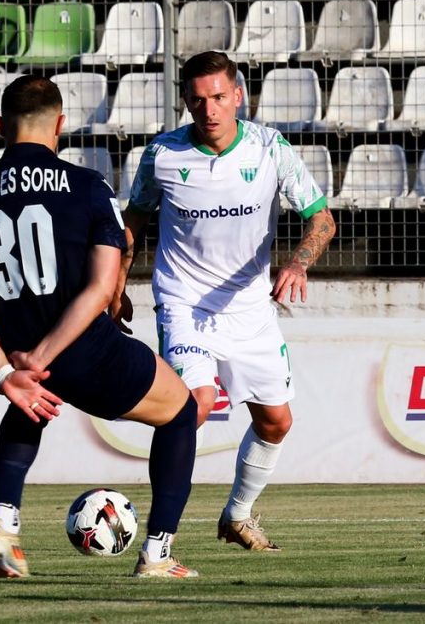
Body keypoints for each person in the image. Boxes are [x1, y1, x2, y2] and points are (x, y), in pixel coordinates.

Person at [0, 74, 200, 579]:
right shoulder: (86, 186)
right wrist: (44, 356)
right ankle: (157, 554)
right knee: (181, 412)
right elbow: (101, 287)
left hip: (16, 349)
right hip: (84, 349)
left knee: (28, 400)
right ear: (60, 124)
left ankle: (3, 524)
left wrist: (6, 372)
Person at [111, 52, 336, 552]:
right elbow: (133, 224)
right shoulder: (162, 155)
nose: (208, 109)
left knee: (276, 421)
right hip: (184, 303)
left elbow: (322, 220)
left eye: (218, 97)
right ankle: (159, 540)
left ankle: (237, 515)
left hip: (250, 308)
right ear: (185, 101)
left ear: (237, 95)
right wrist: (116, 284)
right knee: (195, 406)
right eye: (197, 100)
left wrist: (298, 263)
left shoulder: (270, 149)